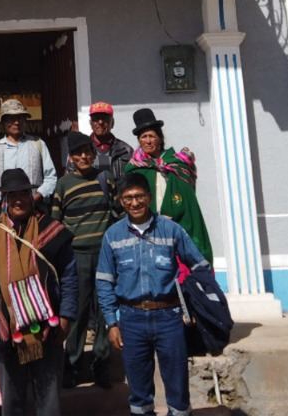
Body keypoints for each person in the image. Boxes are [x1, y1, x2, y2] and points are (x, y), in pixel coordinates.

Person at [98, 172, 211, 416]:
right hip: (131, 320)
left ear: (149, 197)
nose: (134, 202)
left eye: (139, 196)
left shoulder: (171, 230)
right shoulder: (113, 236)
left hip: (169, 318)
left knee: (178, 391)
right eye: (128, 197)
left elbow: (200, 268)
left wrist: (190, 305)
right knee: (139, 394)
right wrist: (111, 323)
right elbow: (105, 282)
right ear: (120, 200)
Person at [0, 168, 78, 416]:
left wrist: (67, 316)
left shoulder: (52, 232)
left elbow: (70, 277)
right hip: (5, 327)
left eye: (23, 194)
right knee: (12, 401)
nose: (18, 200)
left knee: (49, 402)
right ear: (4, 199)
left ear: (31, 196)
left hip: (48, 329)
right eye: (11, 194)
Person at [49, 135, 117, 388]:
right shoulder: (62, 185)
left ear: (93, 152)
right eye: (78, 154)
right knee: (77, 311)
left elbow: (119, 213)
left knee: (103, 310)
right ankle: (73, 365)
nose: (84, 157)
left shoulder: (105, 179)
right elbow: (56, 224)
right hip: (76, 256)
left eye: (87, 152)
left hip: (105, 255)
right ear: (70, 158)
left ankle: (101, 363)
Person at [120, 108, 212, 265]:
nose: (148, 141)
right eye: (143, 137)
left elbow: (188, 196)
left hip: (179, 224)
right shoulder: (134, 168)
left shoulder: (178, 164)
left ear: (160, 139)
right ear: (139, 141)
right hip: (148, 226)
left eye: (152, 136)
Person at [0, 100, 57, 210]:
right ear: (4, 122)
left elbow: (51, 177)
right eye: (11, 118)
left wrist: (38, 195)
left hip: (34, 209)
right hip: (4, 213)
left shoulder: (37, 144)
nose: (17, 122)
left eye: (20, 118)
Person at [60, 102, 133, 183]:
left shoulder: (126, 150)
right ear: (90, 124)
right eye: (96, 118)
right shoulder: (79, 150)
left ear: (112, 123)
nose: (100, 122)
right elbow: (69, 179)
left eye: (105, 118)